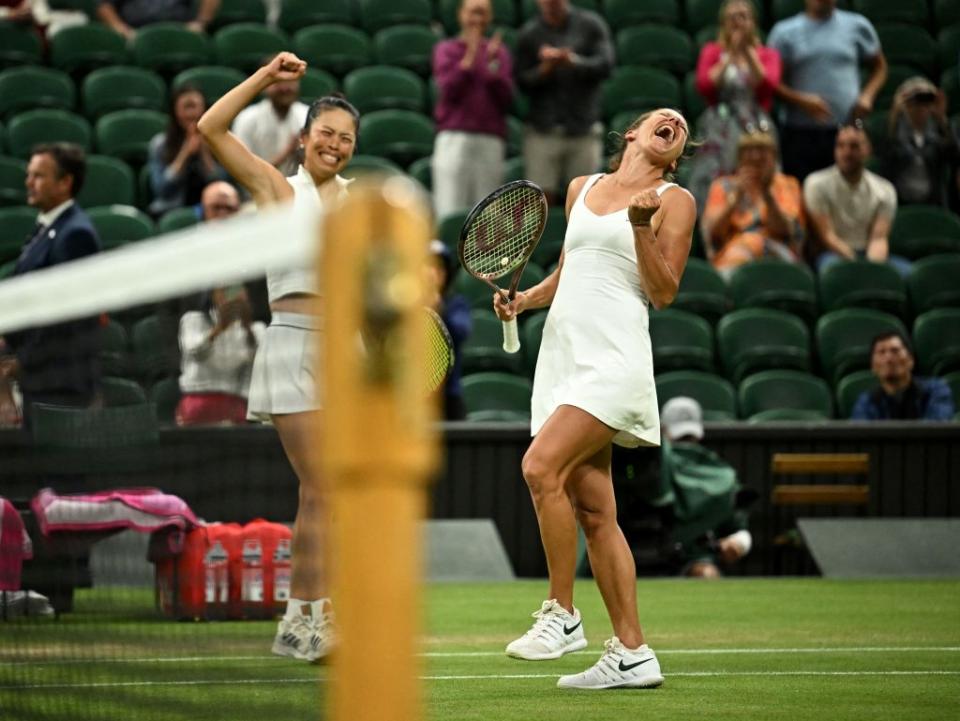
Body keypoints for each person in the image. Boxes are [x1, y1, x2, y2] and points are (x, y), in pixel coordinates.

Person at [494, 108, 696, 689]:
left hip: (614, 360)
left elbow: (663, 293)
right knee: (595, 514)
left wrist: (639, 225)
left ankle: (562, 613)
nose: (673, 121)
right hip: (563, 358)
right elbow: (571, 268)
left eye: (680, 125)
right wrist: (524, 300)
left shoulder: (673, 199)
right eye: (662, 117)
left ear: (674, 154)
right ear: (632, 132)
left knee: (539, 467)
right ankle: (633, 653)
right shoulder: (583, 188)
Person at [198, 52, 359, 663]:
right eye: (326, 134)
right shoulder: (275, 189)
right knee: (322, 485)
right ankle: (310, 619)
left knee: (322, 492)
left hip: (343, 353)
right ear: (304, 138)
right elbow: (210, 128)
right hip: (291, 345)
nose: (335, 146)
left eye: (346, 139)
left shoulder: (359, 203)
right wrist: (267, 77)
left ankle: (301, 621)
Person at [0, 143, 101, 430]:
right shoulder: (47, 228)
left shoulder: (75, 234)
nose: (28, 182)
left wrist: (22, 360)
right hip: (42, 379)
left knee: (59, 472)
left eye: (39, 176)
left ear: (65, 182)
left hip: (61, 383)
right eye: (29, 174)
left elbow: (65, 314)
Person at [767, 0, 887, 182]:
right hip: (800, 134)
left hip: (846, 131)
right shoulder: (784, 32)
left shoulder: (858, 26)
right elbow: (772, 83)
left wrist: (867, 96)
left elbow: (880, 67)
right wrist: (801, 101)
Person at [514, 0, 614, 206]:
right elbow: (520, 81)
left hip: (583, 128)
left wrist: (574, 61)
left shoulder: (591, 25)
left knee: (585, 202)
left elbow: (606, 65)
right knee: (540, 203)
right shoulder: (529, 33)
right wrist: (544, 70)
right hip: (542, 130)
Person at [688, 0, 781, 210]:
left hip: (755, 122)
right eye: (732, 17)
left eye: (743, 16)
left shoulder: (767, 54)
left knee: (759, 174)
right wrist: (731, 52)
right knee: (713, 175)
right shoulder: (712, 51)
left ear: (753, 22)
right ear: (723, 23)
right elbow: (704, 85)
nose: (738, 22)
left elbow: (768, 84)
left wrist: (747, 51)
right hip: (719, 122)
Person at [431, 0, 514, 219]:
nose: (477, 19)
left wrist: (491, 67)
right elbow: (449, 90)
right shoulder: (447, 50)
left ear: (490, 17)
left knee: (487, 215)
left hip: (490, 138)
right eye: (472, 12)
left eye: (482, 13)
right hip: (454, 136)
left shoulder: (499, 52)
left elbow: (507, 98)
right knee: (449, 207)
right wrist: (471, 55)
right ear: (461, 15)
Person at [659, 397, 753, 578]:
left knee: (706, 573)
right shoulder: (648, 468)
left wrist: (737, 543)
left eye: (689, 436)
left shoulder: (720, 472)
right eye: (680, 436)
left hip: (697, 560)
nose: (685, 442)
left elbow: (740, 531)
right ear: (663, 430)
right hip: (641, 559)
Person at [803, 123, 908, 275]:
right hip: (833, 254)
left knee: (909, 273)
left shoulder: (885, 189)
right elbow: (827, 236)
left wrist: (872, 268)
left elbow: (878, 239)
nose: (846, 152)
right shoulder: (816, 184)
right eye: (841, 146)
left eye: (854, 146)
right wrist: (856, 264)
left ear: (868, 150)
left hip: (869, 252)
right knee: (835, 271)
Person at [700, 129, 805, 277]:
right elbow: (714, 234)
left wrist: (767, 194)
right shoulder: (722, 186)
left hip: (778, 253)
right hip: (734, 253)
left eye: (762, 157)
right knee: (745, 248)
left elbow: (785, 231)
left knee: (753, 242)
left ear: (774, 158)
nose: (756, 158)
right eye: (750, 157)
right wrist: (736, 197)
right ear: (739, 159)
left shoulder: (787, 184)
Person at [175, 286, 264, 426]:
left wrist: (248, 329)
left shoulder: (256, 329)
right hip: (199, 402)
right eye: (225, 290)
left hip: (235, 403)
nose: (232, 297)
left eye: (236, 290)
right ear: (212, 294)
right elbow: (195, 352)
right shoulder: (194, 320)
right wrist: (219, 328)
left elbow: (259, 370)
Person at [148, 84, 229, 218]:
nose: (191, 114)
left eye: (195, 106)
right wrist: (185, 153)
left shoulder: (219, 142)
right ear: (175, 112)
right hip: (171, 211)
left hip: (214, 210)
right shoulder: (160, 144)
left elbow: (222, 185)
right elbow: (161, 189)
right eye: (186, 107)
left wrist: (204, 152)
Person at [881, 77, 960, 207]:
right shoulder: (893, 129)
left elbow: (954, 157)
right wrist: (895, 115)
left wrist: (942, 119)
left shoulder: (940, 129)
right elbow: (886, 158)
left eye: (926, 100)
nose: (921, 106)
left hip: (934, 202)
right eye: (916, 99)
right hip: (900, 202)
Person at [851, 331, 954, 421]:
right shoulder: (866, 402)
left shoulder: (935, 391)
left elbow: (937, 429)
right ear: (873, 366)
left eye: (895, 351)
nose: (888, 359)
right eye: (881, 352)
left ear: (910, 360)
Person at [233, 60, 310, 178]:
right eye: (278, 82)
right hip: (256, 192)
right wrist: (286, 153)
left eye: (290, 82)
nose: (285, 88)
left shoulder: (307, 115)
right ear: (264, 85)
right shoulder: (247, 118)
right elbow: (243, 172)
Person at [426, 239, 471, 420]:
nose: (431, 273)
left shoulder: (456, 305)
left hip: (448, 399)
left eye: (439, 267)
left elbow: (461, 331)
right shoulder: (404, 308)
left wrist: (437, 309)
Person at [97, 0, 220, 40]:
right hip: (136, 34)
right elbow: (103, 5)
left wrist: (201, 22)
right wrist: (121, 29)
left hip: (181, 31)